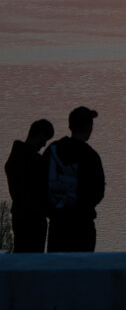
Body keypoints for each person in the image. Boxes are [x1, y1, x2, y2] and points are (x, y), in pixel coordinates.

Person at [45, 107, 105, 252]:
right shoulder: (90, 156)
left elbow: (39, 183)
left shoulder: (52, 150)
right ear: (87, 127)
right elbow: (98, 192)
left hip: (57, 225)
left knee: (56, 269)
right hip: (82, 226)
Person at [5, 119, 54, 252]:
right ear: (39, 134)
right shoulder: (35, 161)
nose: (44, 144)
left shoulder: (15, 158)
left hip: (20, 216)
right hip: (33, 219)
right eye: (45, 139)